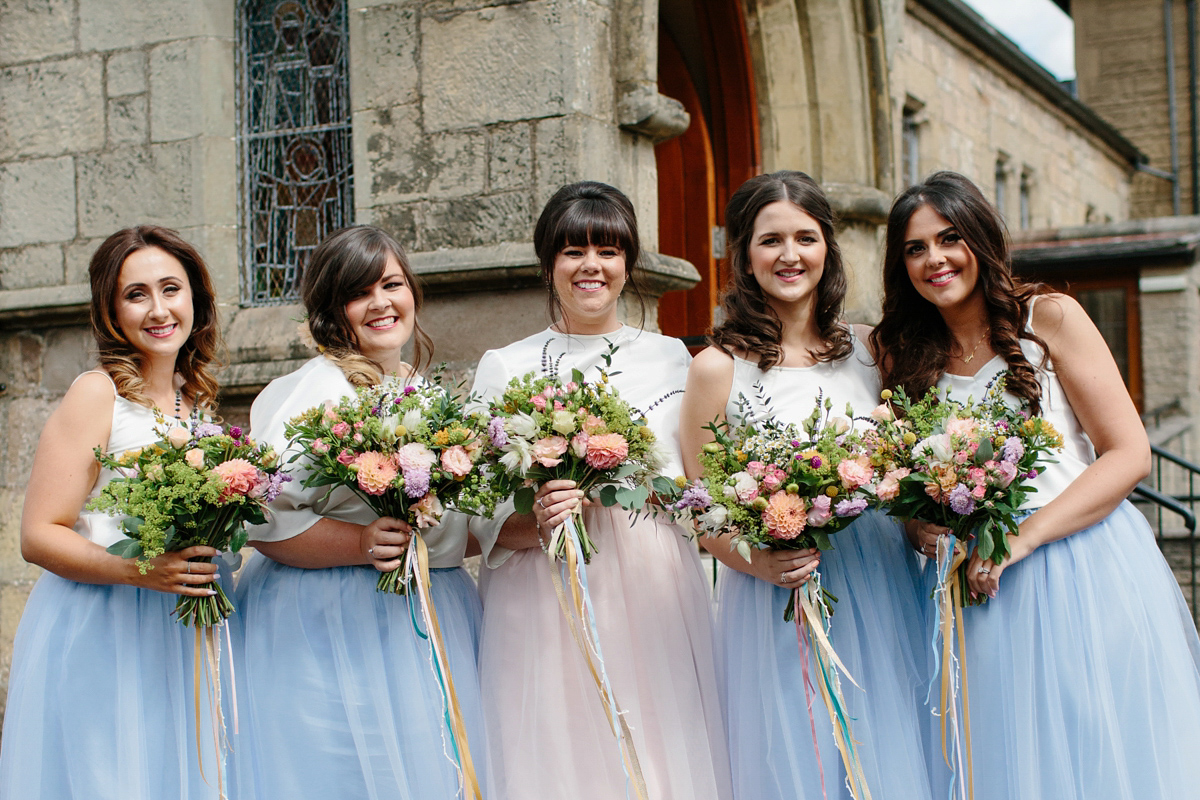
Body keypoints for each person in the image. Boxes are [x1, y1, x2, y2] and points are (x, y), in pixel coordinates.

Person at [872, 170, 1200, 799]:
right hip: (971, 585)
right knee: (995, 754)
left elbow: (1128, 453)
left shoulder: (1049, 317)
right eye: (915, 248)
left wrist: (1021, 538)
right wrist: (918, 526)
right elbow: (904, 486)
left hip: (1077, 565)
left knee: (1089, 745)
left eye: (949, 238)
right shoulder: (904, 352)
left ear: (981, 239)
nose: (934, 259)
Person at [469, 181, 732, 799]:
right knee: (557, 747)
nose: (592, 266)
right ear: (548, 264)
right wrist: (538, 521)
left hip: (652, 580)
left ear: (628, 263)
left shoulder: (676, 360)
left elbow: (701, 485)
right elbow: (476, 514)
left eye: (608, 250)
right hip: (543, 585)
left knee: (657, 738)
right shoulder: (505, 366)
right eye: (573, 251)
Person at [678, 171, 933, 800]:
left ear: (827, 249)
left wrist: (920, 521)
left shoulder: (874, 353)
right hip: (777, 590)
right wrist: (759, 563)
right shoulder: (716, 367)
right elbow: (702, 507)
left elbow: (900, 473)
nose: (789, 255)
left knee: (888, 743)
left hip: (878, 578)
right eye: (770, 241)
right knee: (801, 754)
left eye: (805, 238)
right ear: (743, 257)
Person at [233, 226, 486, 800]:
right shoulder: (311, 391)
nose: (381, 303)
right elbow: (263, 518)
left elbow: (456, 525)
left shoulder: (425, 394)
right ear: (331, 310)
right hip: (335, 618)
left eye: (392, 284)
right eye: (359, 292)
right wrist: (361, 542)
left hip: (431, 606)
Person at [0, 226, 228, 797]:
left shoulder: (195, 401)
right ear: (111, 310)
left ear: (195, 298)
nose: (158, 309)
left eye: (171, 288)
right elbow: (38, 534)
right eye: (136, 294)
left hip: (180, 630)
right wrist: (139, 570)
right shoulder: (97, 393)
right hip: (107, 626)